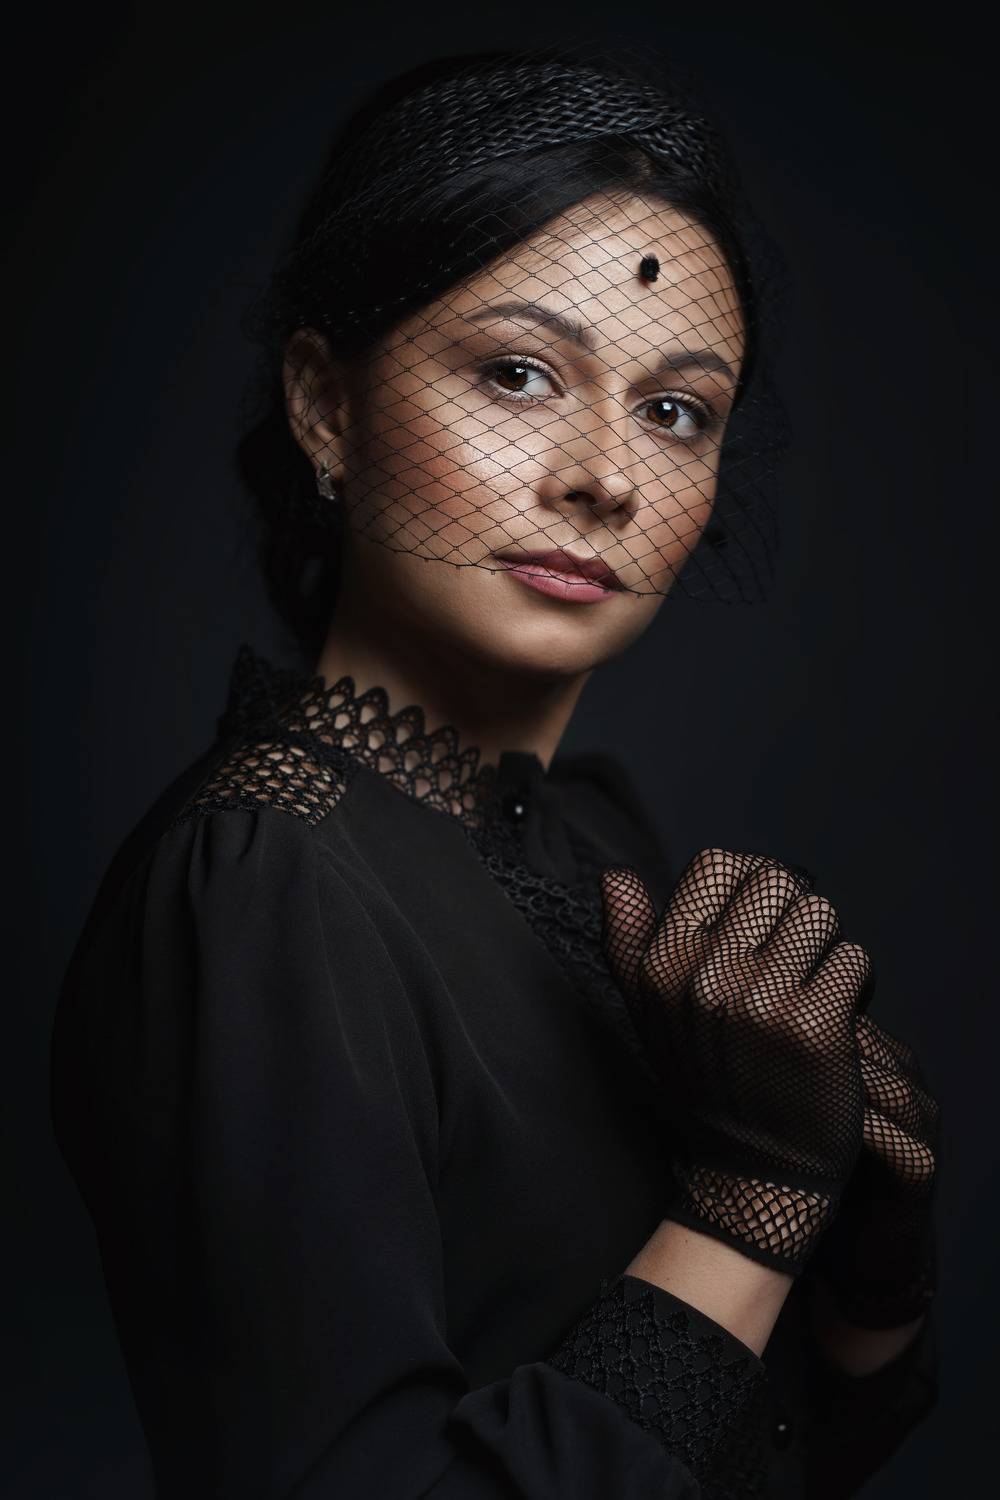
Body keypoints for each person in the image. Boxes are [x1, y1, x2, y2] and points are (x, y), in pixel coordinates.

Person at [50, 45, 940, 1499]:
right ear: (326, 406)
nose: (607, 475)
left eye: (676, 410)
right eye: (519, 374)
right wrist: (750, 1204)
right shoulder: (266, 882)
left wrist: (867, 1293)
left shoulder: (591, 840)